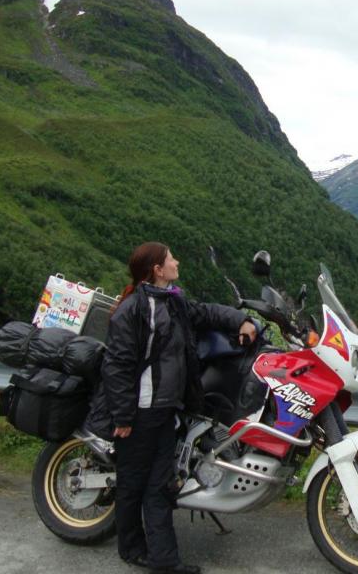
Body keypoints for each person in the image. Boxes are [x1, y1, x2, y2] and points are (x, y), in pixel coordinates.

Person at [102, 241, 256, 574]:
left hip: (164, 411)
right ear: (156, 269)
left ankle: (163, 560)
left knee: (159, 484)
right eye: (171, 259)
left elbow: (206, 312)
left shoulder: (172, 302)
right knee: (132, 483)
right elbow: (117, 366)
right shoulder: (135, 310)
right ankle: (130, 549)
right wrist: (124, 416)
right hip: (140, 413)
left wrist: (243, 320)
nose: (177, 262)